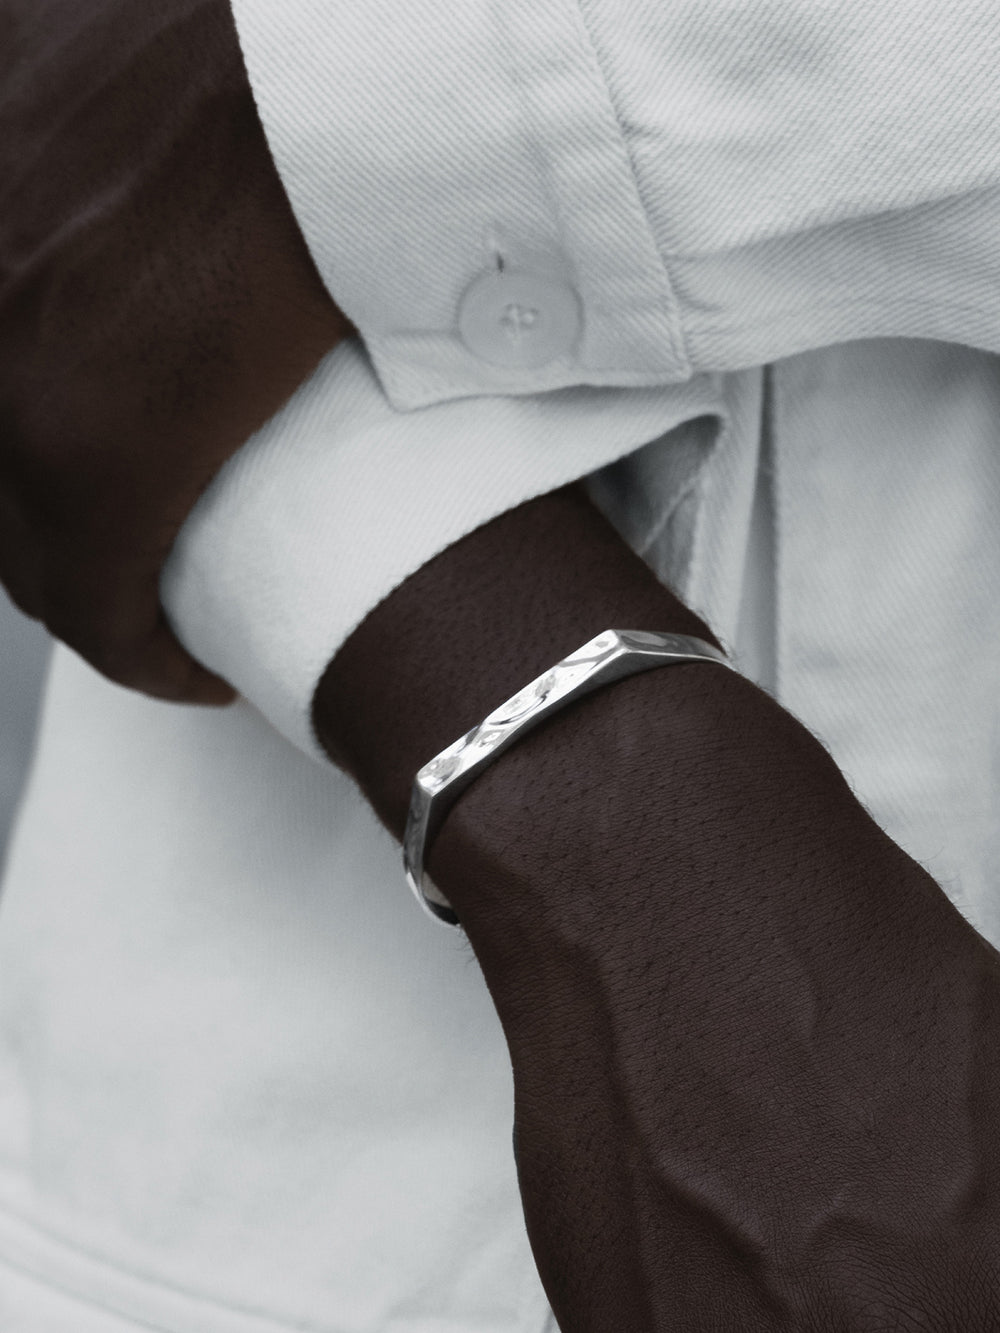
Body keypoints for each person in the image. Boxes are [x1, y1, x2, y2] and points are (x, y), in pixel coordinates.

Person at [1, 0, 1000, 1328]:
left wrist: (328, 82)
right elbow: (67, 141)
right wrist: (583, 768)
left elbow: (168, 104)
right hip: (268, 1165)